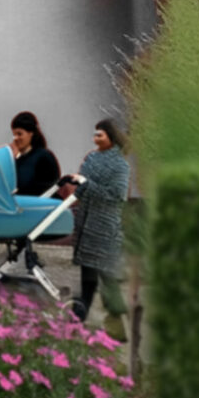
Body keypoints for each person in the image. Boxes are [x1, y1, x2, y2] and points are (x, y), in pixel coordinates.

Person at [65, 118, 132, 342]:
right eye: (95, 134)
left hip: (105, 228)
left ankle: (118, 323)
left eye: (100, 135)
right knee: (88, 275)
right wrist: (74, 186)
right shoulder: (91, 158)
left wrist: (87, 184)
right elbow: (83, 187)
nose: (95, 138)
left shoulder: (121, 166)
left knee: (107, 278)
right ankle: (79, 318)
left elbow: (116, 196)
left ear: (110, 138)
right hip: (86, 226)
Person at [9, 111, 61, 196]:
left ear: (30, 133)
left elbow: (51, 187)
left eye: (19, 134)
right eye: (14, 134)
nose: (16, 138)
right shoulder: (18, 160)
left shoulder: (44, 156)